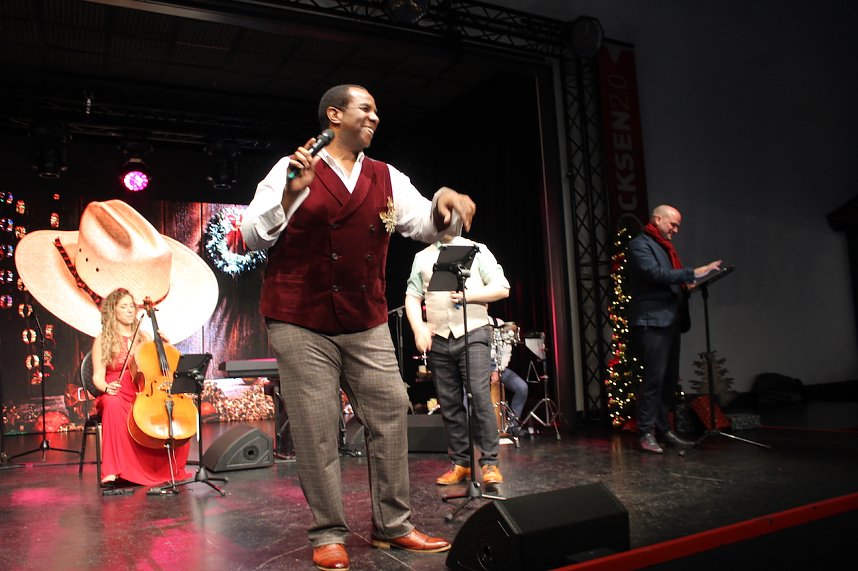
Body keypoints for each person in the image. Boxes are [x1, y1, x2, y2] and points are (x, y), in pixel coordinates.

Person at [240, 84, 476, 571]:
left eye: (376, 111)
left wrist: (445, 204)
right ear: (334, 114)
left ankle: (393, 525)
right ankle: (328, 533)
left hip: (364, 316)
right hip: (300, 317)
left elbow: (426, 225)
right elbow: (250, 235)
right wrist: (290, 195)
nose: (375, 117)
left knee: (389, 411)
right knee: (317, 426)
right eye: (365, 109)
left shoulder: (385, 176)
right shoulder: (293, 169)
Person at [404, 219, 510, 487]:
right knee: (449, 404)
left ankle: (489, 463)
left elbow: (502, 287)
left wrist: (469, 297)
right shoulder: (422, 257)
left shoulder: (477, 250)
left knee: (479, 397)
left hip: (473, 332)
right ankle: (461, 463)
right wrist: (418, 328)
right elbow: (412, 296)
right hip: (439, 338)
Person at [627, 205, 722, 454]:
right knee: (654, 378)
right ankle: (645, 433)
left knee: (668, 380)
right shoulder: (640, 245)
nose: (676, 230)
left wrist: (684, 288)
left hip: (670, 320)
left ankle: (663, 429)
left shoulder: (664, 246)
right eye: (673, 224)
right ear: (657, 219)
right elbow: (654, 274)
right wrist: (693, 273)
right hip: (652, 321)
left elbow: (667, 278)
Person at [92, 288, 192, 487]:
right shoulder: (102, 339)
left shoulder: (144, 337)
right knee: (112, 403)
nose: (130, 310)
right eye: (124, 306)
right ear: (113, 310)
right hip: (118, 391)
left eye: (131, 306)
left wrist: (165, 345)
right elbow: (97, 376)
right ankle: (112, 471)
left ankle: (163, 469)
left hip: (144, 390)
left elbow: (160, 367)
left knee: (172, 411)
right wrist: (107, 388)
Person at [489, 317, 528, 436]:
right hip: (479, 367)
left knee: (521, 387)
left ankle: (512, 426)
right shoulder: (472, 323)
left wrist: (498, 370)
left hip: (498, 366)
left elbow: (506, 351)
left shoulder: (498, 323)